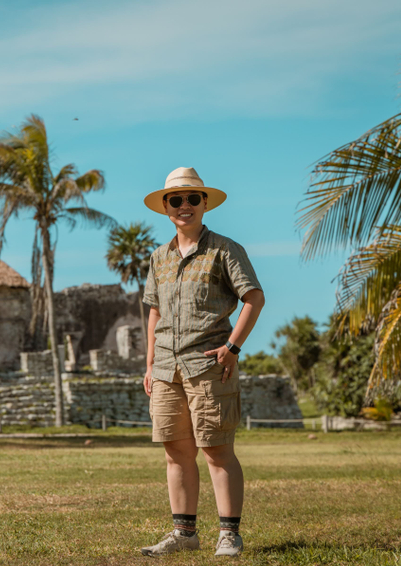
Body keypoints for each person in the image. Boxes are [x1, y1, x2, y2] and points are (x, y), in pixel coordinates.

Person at [139, 167, 265, 558]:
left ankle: (229, 535)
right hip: (166, 369)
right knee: (175, 451)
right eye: (176, 200)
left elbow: (254, 298)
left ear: (204, 203)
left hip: (209, 365)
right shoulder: (158, 257)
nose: (185, 206)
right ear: (166, 207)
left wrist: (232, 347)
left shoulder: (225, 250)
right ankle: (184, 534)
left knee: (216, 448)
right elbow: (154, 311)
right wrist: (150, 364)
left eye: (192, 198)